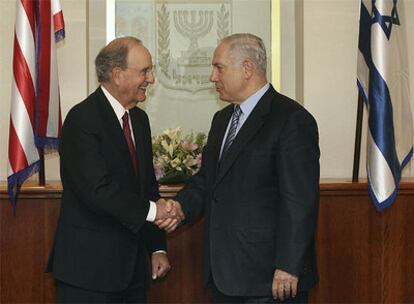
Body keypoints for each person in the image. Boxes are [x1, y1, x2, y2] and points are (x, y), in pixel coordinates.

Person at [157, 33, 320, 303]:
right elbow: (207, 179)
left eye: (219, 67)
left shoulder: (291, 119)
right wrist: (180, 207)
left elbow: (300, 201)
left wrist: (289, 265)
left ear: (247, 68)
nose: (212, 77)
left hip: (270, 279)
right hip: (225, 275)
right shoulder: (222, 119)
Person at [47, 36, 180, 303]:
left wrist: (157, 247)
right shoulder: (82, 120)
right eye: (144, 71)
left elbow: (147, 188)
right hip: (88, 274)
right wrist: (156, 212)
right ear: (117, 75)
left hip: (132, 272)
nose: (151, 79)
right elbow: (98, 191)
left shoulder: (139, 120)